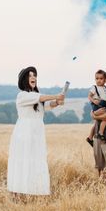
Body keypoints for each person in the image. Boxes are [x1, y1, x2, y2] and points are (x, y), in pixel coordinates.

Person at [7, 66, 64, 199]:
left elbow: (46, 106)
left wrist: (57, 102)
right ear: (24, 79)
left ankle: (33, 191)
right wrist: (56, 95)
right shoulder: (22, 95)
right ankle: (17, 193)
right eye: (30, 75)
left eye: (34, 75)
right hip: (24, 132)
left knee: (36, 160)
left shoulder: (36, 97)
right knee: (23, 160)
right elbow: (40, 98)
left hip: (36, 133)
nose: (33, 78)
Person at [86, 70, 106, 147]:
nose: (98, 80)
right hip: (97, 105)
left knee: (96, 123)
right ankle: (100, 133)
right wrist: (93, 101)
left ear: (105, 79)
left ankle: (90, 137)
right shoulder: (94, 87)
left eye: (101, 78)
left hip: (103, 104)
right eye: (97, 78)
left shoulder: (105, 88)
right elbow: (89, 96)